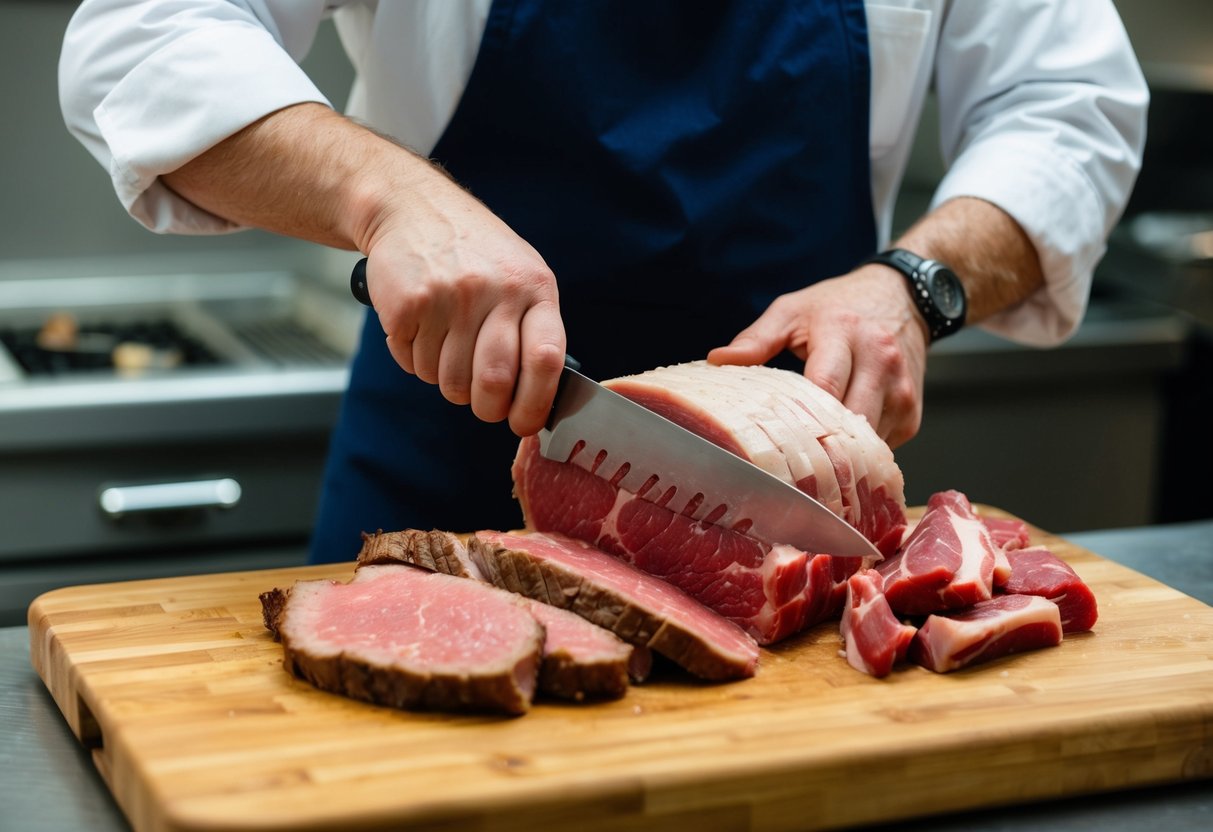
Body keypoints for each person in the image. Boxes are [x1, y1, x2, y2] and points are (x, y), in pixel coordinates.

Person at [59, 1, 1147, 563]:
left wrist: (912, 284)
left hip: (791, 491)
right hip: (446, 453)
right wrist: (391, 198)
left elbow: (1067, 103)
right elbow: (145, 32)